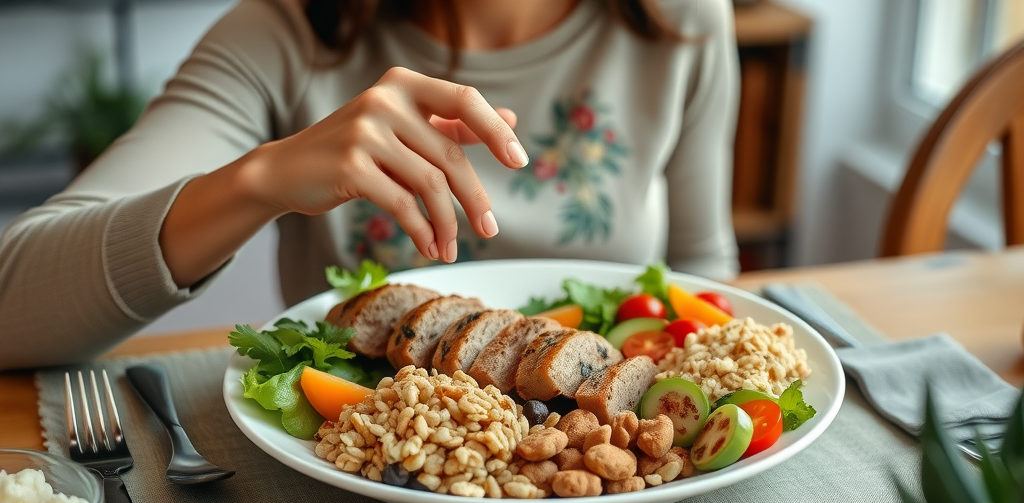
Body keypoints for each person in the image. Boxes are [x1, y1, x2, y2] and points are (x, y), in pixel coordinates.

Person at [0, 0, 739, 370]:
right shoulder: (281, 35)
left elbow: (704, 278)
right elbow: (16, 301)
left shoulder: (686, 20)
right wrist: (262, 179)